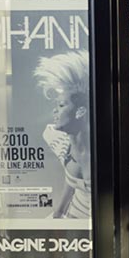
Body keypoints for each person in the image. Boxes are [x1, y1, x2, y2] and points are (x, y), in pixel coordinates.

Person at [35, 51, 91, 219]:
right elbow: (71, 182)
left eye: (61, 105)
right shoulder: (58, 140)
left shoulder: (100, 154)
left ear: (80, 111)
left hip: (92, 228)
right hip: (69, 218)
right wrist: (58, 215)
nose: (55, 110)